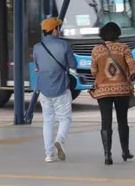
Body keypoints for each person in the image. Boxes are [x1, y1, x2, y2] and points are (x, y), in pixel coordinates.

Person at [89, 22, 135, 165]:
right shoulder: (124, 48)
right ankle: (125, 151)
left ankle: (107, 156)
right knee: (123, 121)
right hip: (122, 90)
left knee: (106, 121)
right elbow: (133, 68)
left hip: (103, 91)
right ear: (118, 34)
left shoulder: (96, 50)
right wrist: (128, 77)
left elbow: (93, 71)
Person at [33, 17, 77, 163]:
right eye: (58, 28)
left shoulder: (37, 47)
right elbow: (73, 64)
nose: (59, 30)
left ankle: (49, 155)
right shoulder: (64, 45)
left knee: (48, 120)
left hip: (44, 89)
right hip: (61, 88)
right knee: (65, 118)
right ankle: (60, 139)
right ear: (54, 30)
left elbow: (38, 66)